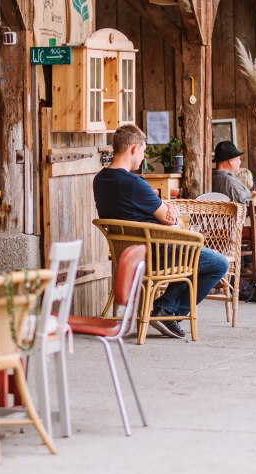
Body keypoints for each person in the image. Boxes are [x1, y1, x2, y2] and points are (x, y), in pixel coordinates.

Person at [94, 124, 228, 339]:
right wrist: (168, 211)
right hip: (155, 253)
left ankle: (166, 309)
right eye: (144, 151)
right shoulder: (135, 184)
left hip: (127, 255)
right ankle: (167, 311)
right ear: (134, 148)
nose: (143, 156)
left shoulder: (100, 180)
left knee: (191, 255)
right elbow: (168, 217)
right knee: (219, 263)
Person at [209, 141, 256, 205]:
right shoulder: (229, 182)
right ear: (231, 161)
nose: (240, 162)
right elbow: (246, 207)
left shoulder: (213, 177)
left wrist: (249, 194)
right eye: (238, 159)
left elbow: (235, 196)